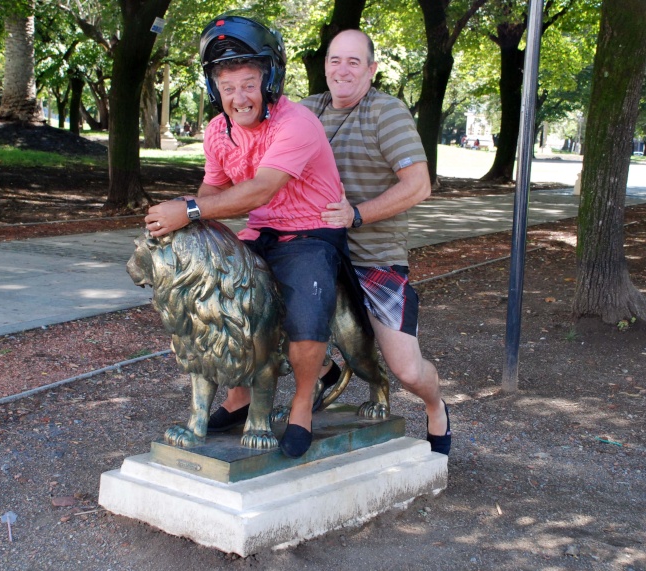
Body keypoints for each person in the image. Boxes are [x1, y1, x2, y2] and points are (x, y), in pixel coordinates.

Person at [145, 14, 350, 459]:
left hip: (310, 232)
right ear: (214, 90)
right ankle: (238, 398)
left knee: (305, 314)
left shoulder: (295, 123)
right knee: (224, 301)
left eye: (248, 83)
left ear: (270, 79)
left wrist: (189, 211)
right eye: (228, 87)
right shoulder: (219, 131)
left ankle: (301, 405)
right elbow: (214, 188)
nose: (239, 97)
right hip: (261, 232)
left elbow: (260, 188)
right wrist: (197, 233)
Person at [301, 29, 451, 455]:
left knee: (405, 369)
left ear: (371, 69)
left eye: (354, 62)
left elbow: (419, 185)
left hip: (374, 258)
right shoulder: (307, 110)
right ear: (325, 65)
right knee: (257, 308)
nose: (342, 69)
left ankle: (435, 406)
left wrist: (357, 213)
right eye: (335, 60)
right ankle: (329, 371)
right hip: (316, 251)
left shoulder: (386, 113)